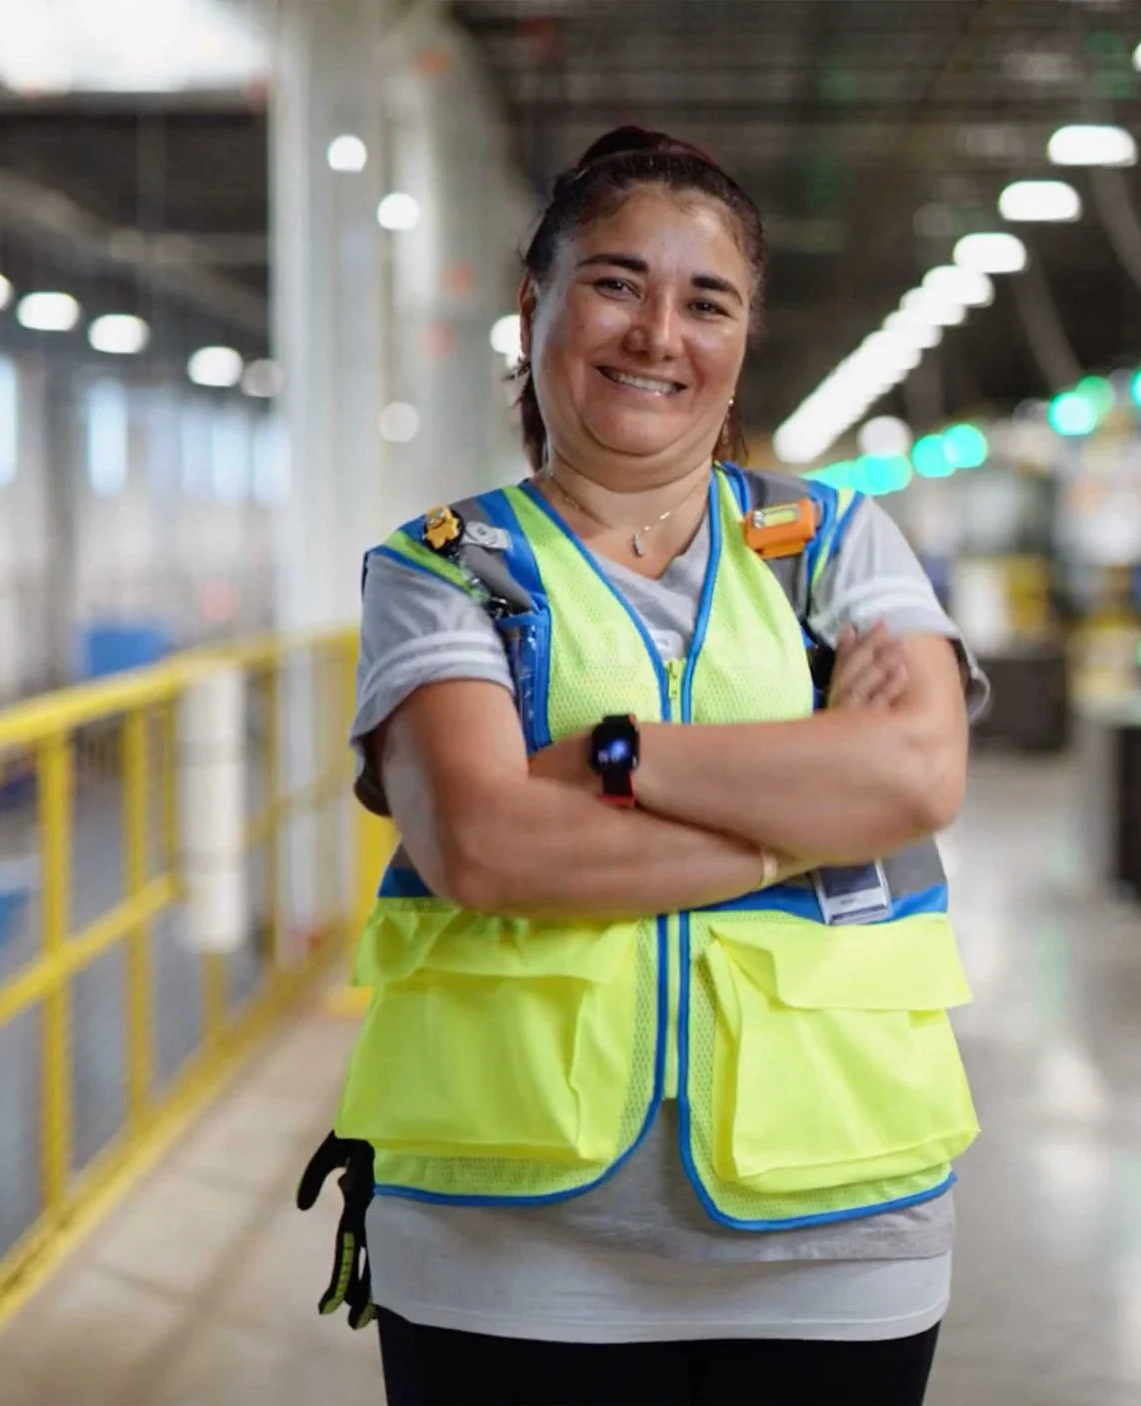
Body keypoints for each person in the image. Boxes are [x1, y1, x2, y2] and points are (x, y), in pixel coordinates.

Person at [307, 126, 986, 1406]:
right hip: (500, 1241)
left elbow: (915, 778)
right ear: (536, 308)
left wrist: (621, 757)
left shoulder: (833, 541)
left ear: (740, 342)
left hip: (837, 1232)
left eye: (705, 300)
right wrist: (809, 814)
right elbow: (489, 847)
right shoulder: (442, 567)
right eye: (616, 282)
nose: (656, 332)